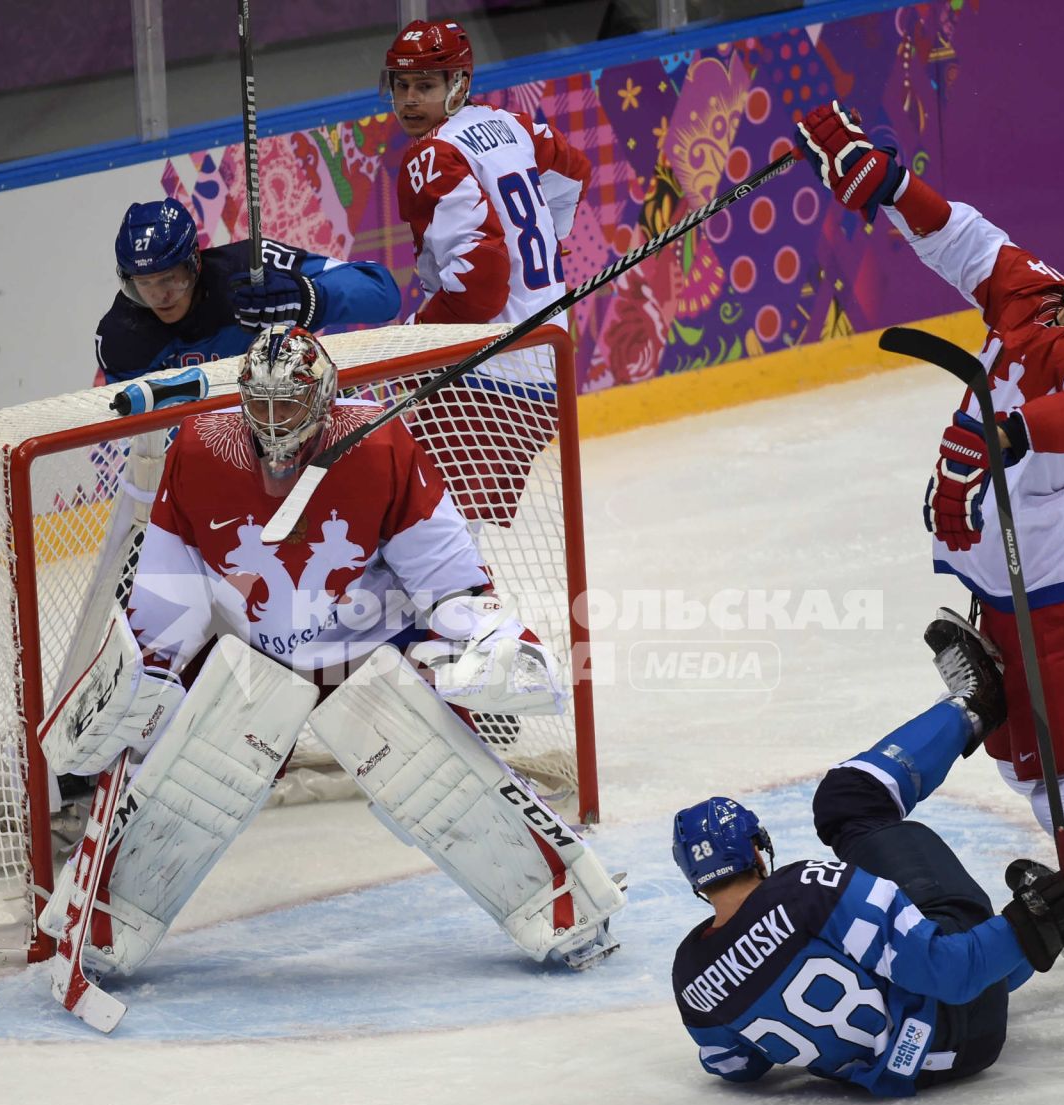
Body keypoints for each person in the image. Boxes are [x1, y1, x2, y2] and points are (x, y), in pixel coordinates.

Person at [793, 99, 1064, 1045]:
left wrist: (1024, 427)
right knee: (1033, 776)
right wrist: (886, 181)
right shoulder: (1032, 292)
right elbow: (964, 239)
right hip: (1008, 595)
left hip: (1061, 607)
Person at [36, 325, 625, 998]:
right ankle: (102, 930)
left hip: (368, 654)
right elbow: (172, 585)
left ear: (322, 400)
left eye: (288, 404)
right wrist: (150, 672)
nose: (271, 420)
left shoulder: (378, 448)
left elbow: (446, 578)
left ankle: (570, 913)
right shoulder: (200, 451)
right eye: (259, 403)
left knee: (454, 791)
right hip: (258, 660)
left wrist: (487, 638)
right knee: (181, 786)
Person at [671, 621, 1064, 1095]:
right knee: (850, 803)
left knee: (896, 960)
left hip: (918, 1066)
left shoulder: (689, 977)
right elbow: (952, 971)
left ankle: (1056, 931)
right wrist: (1036, 920)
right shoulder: (807, 892)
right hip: (962, 1016)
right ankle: (977, 703)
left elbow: (735, 1064)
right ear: (757, 849)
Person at [384, 19, 592, 325]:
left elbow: (480, 282)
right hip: (549, 349)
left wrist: (424, 331)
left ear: (460, 84)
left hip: (488, 360)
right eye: (402, 84)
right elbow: (575, 174)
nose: (410, 99)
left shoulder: (432, 155)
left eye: (425, 85)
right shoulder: (513, 124)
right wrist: (546, 239)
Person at [94, 197, 401, 383]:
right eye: (143, 286)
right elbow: (142, 440)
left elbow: (383, 294)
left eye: (170, 279)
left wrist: (310, 299)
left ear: (195, 263)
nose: (160, 296)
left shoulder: (252, 267)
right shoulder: (121, 338)